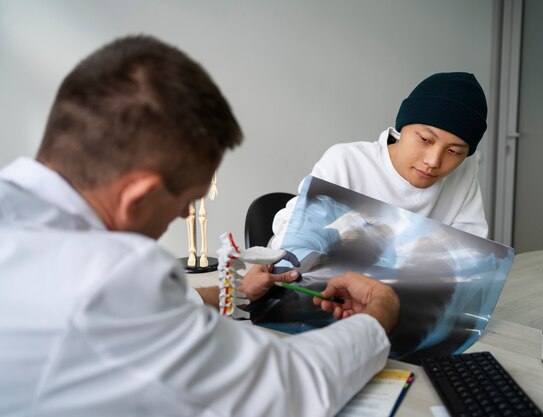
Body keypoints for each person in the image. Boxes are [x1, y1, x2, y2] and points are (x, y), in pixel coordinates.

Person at [0, 35, 400, 417]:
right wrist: (378, 315)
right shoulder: (109, 276)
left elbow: (120, 325)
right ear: (138, 196)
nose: (181, 215)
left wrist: (229, 292)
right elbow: (288, 391)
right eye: (185, 201)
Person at [270, 71, 490, 253]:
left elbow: (470, 251)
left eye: (454, 151)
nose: (433, 161)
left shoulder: (464, 172)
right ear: (403, 127)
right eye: (425, 139)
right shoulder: (347, 161)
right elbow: (295, 232)